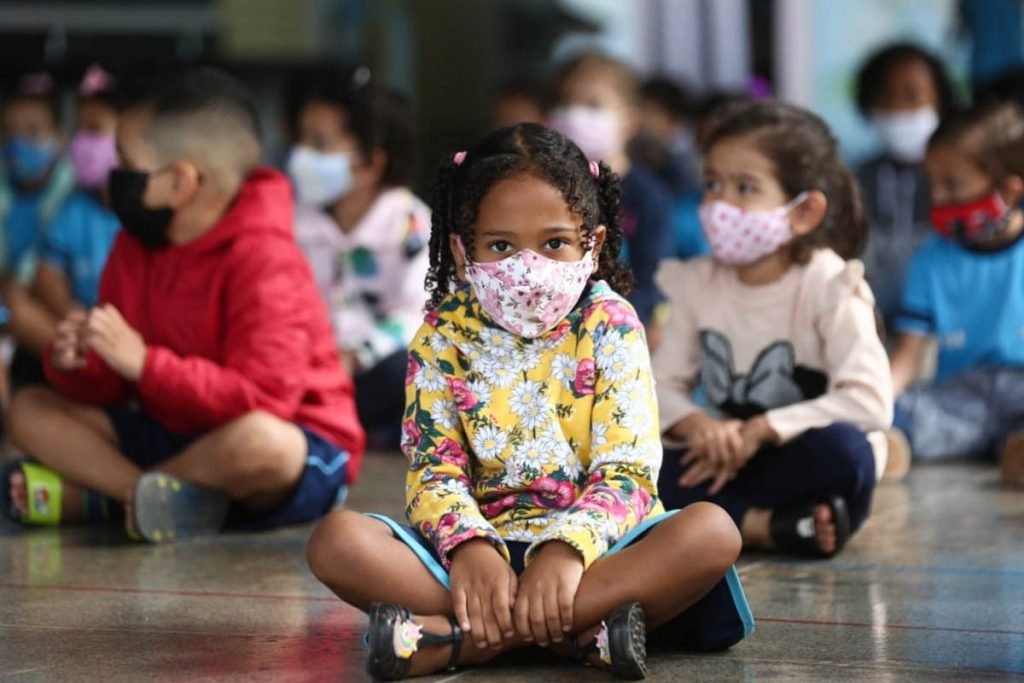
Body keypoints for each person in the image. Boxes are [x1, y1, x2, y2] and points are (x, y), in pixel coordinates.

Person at [306, 124, 753, 680]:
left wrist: (565, 549)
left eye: (554, 243)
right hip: (469, 563)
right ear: (460, 250)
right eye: (500, 245)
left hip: (597, 557)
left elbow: (629, 473)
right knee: (336, 541)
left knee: (712, 531)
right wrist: (471, 548)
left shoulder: (610, 324)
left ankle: (461, 642)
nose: (528, 266)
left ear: (591, 245)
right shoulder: (441, 334)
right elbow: (433, 469)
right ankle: (576, 638)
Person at [0, 67, 365, 541]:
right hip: (175, 431)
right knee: (29, 410)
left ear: (180, 182)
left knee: (264, 443)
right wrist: (81, 362)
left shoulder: (267, 258)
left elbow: (266, 401)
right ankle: (147, 498)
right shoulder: (136, 244)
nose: (116, 179)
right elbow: (112, 385)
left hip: (279, 443)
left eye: (127, 163)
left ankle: (109, 496)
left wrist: (145, 365)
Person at [653, 101, 894, 559]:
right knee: (643, 463)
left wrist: (764, 428)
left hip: (797, 453)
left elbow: (871, 401)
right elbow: (659, 385)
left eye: (745, 188)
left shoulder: (829, 284)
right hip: (723, 456)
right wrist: (698, 424)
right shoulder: (697, 281)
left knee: (847, 452)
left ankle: (732, 522)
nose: (719, 204)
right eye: (712, 184)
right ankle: (768, 527)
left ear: (804, 213)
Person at [287, 72, 429, 442]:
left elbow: (416, 315)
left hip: (372, 373)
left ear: (369, 165)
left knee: (409, 371)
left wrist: (355, 356)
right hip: (307, 372)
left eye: (318, 143)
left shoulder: (412, 226)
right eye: (301, 138)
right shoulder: (290, 220)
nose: (300, 154)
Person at [889, 102, 1024, 485]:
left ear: (1009, 190)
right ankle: (888, 446)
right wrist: (875, 401)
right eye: (932, 184)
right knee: (902, 410)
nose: (937, 198)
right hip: (961, 393)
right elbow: (907, 356)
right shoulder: (930, 258)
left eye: (952, 184)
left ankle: (1019, 451)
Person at [548, 52, 673, 342]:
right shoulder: (547, 191)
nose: (575, 114)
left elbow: (652, 279)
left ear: (629, 121)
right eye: (567, 103)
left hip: (617, 338)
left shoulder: (648, 196)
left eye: (593, 105)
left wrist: (612, 328)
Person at [854, 43, 959, 328]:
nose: (898, 108)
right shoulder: (855, 178)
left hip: (945, 327)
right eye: (886, 97)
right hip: (871, 323)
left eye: (912, 96)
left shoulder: (961, 178)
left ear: (940, 101)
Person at [29, 66, 122, 360]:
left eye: (94, 130)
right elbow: (47, 276)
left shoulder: (149, 213)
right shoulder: (73, 207)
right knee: (16, 303)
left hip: (133, 338)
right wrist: (77, 318)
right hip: (80, 326)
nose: (81, 142)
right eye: (79, 130)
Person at [0, 71, 76, 387]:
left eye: (33, 132)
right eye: (9, 133)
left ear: (60, 137)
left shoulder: (75, 196)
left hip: (59, 312)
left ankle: (88, 373)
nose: (19, 143)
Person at [632, 76, 709, 262]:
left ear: (673, 120)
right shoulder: (622, 172)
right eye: (640, 110)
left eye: (652, 112)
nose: (643, 121)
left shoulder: (683, 181)